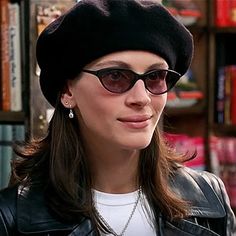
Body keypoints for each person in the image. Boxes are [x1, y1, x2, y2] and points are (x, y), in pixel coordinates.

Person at [0, 0, 235, 235]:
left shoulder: (209, 197)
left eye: (155, 76)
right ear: (67, 91)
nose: (141, 98)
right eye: (115, 76)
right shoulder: (12, 217)